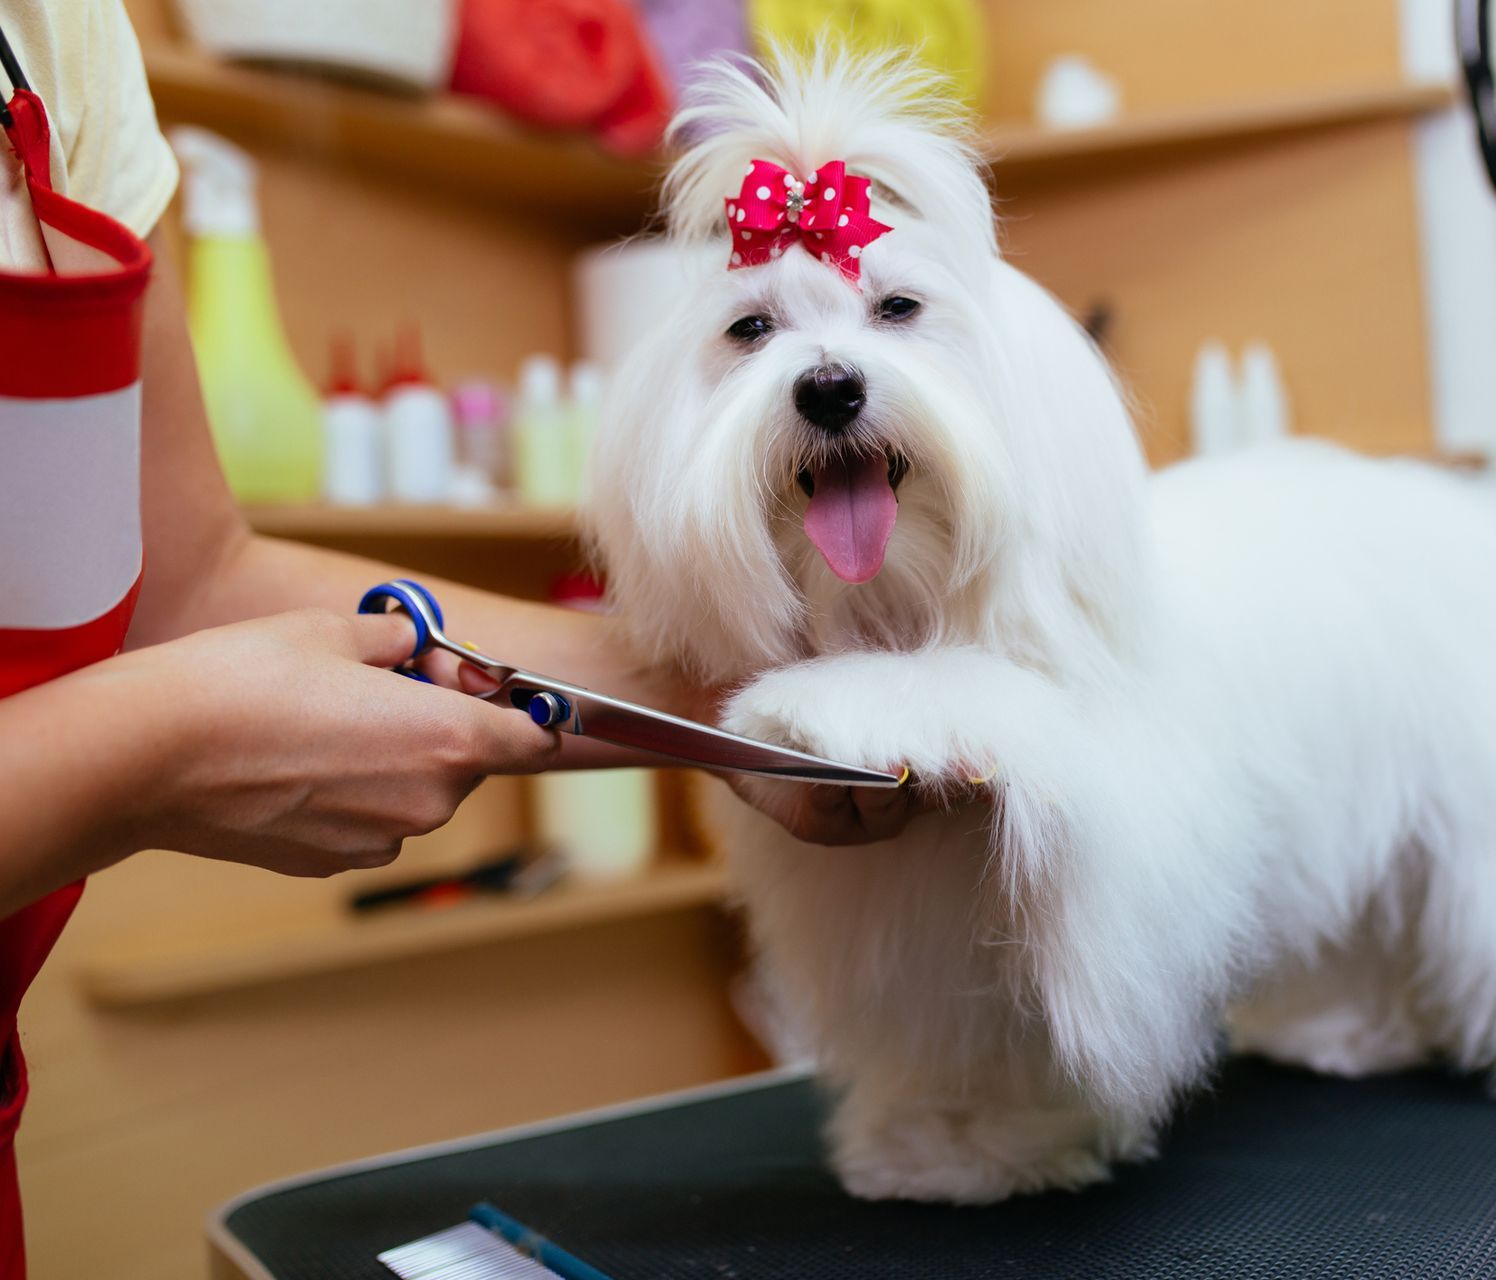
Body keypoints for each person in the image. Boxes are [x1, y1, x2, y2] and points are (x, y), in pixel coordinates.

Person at [0, 2, 919, 1272]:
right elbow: (173, 665)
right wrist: (158, 748)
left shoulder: (56, 33)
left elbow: (186, 577)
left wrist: (738, 702)